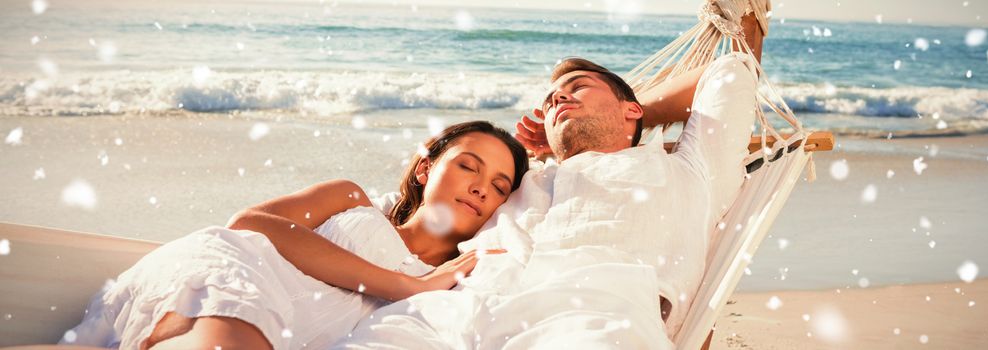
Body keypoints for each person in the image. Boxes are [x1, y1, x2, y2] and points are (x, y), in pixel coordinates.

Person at [334, 9, 768, 350]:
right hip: (453, 309)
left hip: (586, 310)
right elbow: (428, 205)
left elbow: (730, 71)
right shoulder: (524, 181)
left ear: (631, 109)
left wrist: (629, 111)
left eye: (578, 87)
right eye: (552, 99)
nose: (558, 96)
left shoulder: (689, 169)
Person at [58, 121, 530, 350]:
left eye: (499, 186)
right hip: (238, 273)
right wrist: (405, 285)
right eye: (468, 165)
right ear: (426, 169)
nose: (479, 187)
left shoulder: (457, 275)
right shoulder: (351, 199)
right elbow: (250, 224)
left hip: (285, 332)